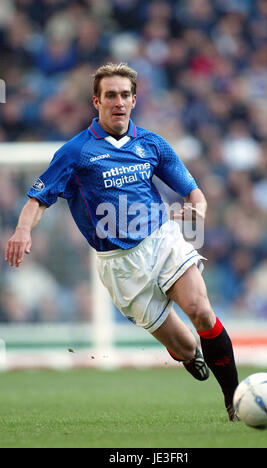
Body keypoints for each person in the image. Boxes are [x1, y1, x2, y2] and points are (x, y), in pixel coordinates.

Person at [5, 63, 239, 420]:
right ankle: (189, 356)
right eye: (110, 95)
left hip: (161, 240)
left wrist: (199, 210)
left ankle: (235, 400)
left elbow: (194, 192)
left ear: (134, 99)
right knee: (186, 344)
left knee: (201, 312)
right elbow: (38, 199)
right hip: (119, 264)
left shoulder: (152, 143)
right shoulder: (76, 152)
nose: (119, 102)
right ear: (96, 101)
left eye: (125, 95)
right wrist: (23, 229)